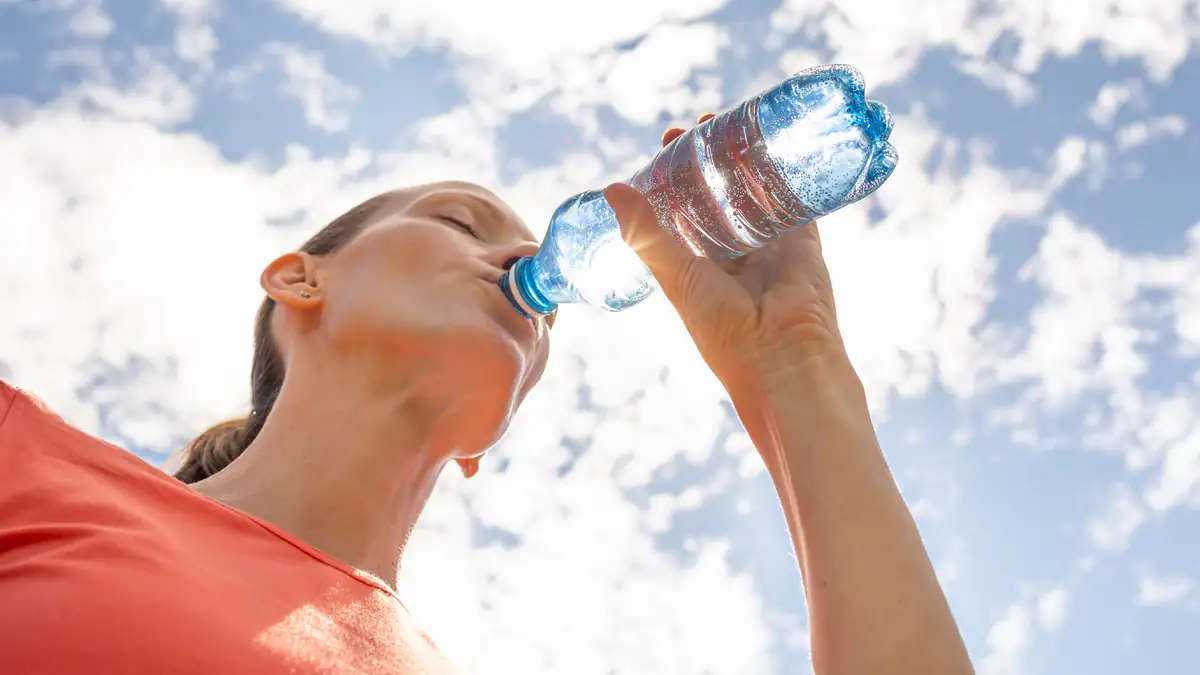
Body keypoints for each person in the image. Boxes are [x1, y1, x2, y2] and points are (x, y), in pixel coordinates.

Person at [0, 117, 974, 675]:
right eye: (463, 221)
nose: (519, 254)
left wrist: (796, 369)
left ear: (486, 442)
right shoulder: (28, 462)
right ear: (300, 281)